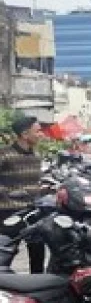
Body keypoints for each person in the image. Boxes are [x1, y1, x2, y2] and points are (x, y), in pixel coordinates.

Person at [0, 115, 45, 273]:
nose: (41, 134)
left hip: (32, 211)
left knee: (38, 253)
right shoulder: (4, 154)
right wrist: (9, 193)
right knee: (5, 253)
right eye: (37, 131)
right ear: (25, 134)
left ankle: (38, 283)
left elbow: (33, 183)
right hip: (8, 212)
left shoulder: (36, 156)